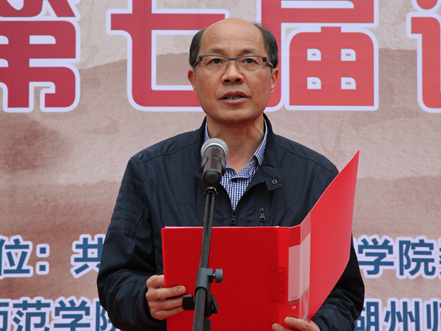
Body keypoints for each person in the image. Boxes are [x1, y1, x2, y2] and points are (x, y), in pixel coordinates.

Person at [97, 18, 364, 331]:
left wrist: (321, 327)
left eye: (249, 61)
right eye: (215, 61)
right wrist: (145, 302)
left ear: (273, 77)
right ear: (193, 78)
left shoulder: (315, 175)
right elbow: (116, 280)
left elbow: (343, 292)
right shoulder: (150, 170)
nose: (232, 74)